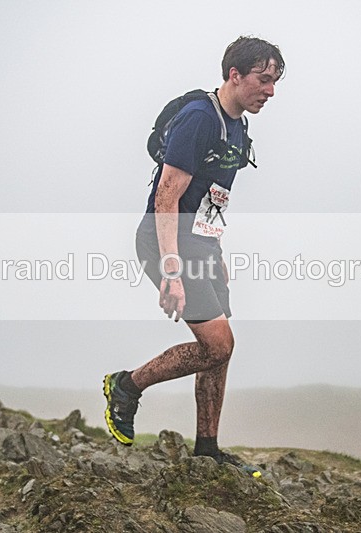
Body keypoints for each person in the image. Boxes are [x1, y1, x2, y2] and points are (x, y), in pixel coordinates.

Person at [103, 36, 284, 471]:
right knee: (218, 345)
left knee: (219, 349)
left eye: (276, 82)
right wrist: (171, 270)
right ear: (234, 75)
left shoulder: (238, 125)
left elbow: (212, 196)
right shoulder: (200, 118)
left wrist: (215, 247)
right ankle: (126, 386)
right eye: (263, 79)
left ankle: (207, 448)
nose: (271, 91)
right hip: (164, 239)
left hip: (200, 242)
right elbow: (167, 195)